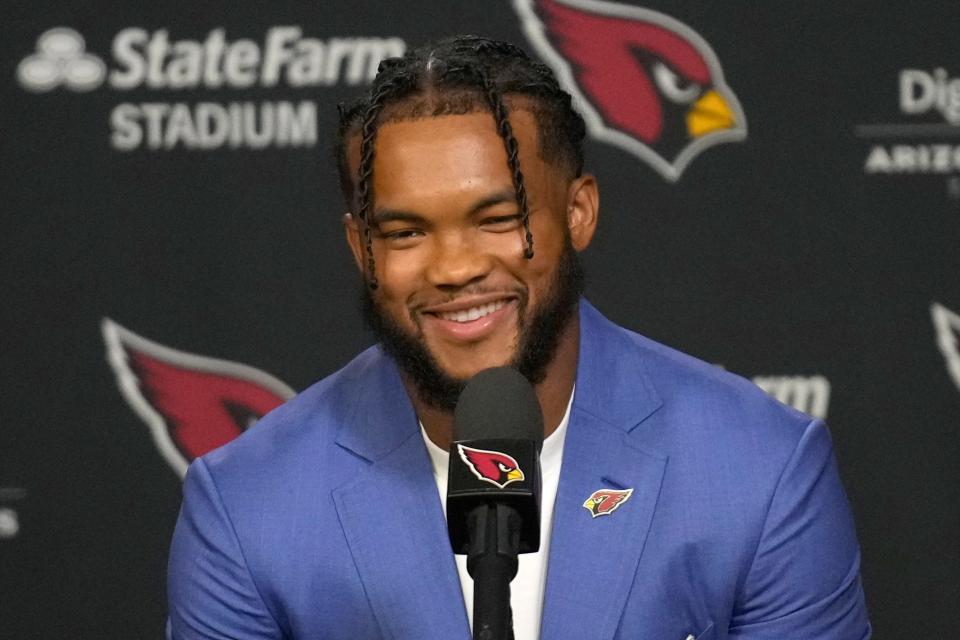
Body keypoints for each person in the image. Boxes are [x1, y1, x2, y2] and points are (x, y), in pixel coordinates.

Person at [167, 35, 870, 639]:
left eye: (497, 219)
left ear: (579, 212)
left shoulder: (760, 471)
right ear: (361, 248)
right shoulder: (249, 508)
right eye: (405, 232)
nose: (455, 268)